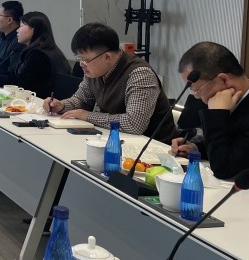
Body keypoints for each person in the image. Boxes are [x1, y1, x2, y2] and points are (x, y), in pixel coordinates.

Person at [43, 23, 176, 143]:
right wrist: (61, 105)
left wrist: (88, 116)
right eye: (79, 58)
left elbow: (134, 124)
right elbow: (82, 100)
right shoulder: (94, 70)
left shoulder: (139, 74)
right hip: (116, 140)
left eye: (85, 60)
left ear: (107, 57)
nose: (81, 65)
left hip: (153, 147)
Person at [170, 42, 249, 179]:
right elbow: (233, 146)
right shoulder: (234, 102)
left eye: (197, 89)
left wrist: (217, 113)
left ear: (223, 80)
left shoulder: (224, 107)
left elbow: (223, 168)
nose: (196, 96)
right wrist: (197, 149)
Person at [13, 11, 71, 98]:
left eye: (21, 26)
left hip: (42, 102)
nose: (17, 30)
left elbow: (25, 85)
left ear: (34, 29)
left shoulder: (38, 55)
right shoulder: (48, 49)